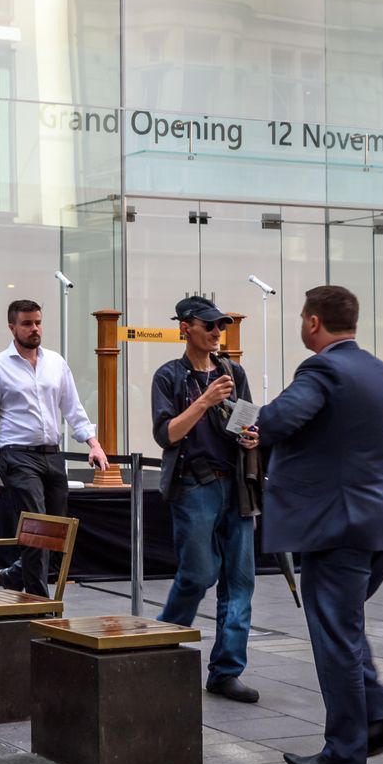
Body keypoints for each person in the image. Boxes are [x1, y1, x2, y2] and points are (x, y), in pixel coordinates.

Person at [239, 286, 383, 764]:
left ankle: (345, 752)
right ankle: (376, 718)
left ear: (313, 322)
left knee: (335, 636)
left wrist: (240, 414)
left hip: (339, 525)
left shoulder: (322, 369)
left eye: (301, 318)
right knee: (346, 626)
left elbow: (280, 418)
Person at [150, 296, 259, 704]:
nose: (217, 333)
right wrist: (205, 400)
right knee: (198, 574)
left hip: (237, 484)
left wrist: (252, 434)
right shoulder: (170, 377)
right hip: (194, 485)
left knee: (241, 580)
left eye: (221, 327)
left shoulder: (234, 372)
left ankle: (227, 670)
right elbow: (167, 435)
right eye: (209, 326)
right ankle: (160, 647)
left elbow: (246, 424)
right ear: (185, 328)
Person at [0, 299, 109, 595]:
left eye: (37, 322)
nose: (34, 328)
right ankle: (39, 603)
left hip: (52, 455)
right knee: (37, 524)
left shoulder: (56, 363)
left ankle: (15, 575)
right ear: (12, 327)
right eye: (26, 323)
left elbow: (73, 408)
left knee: (56, 529)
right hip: (17, 455)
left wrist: (94, 444)